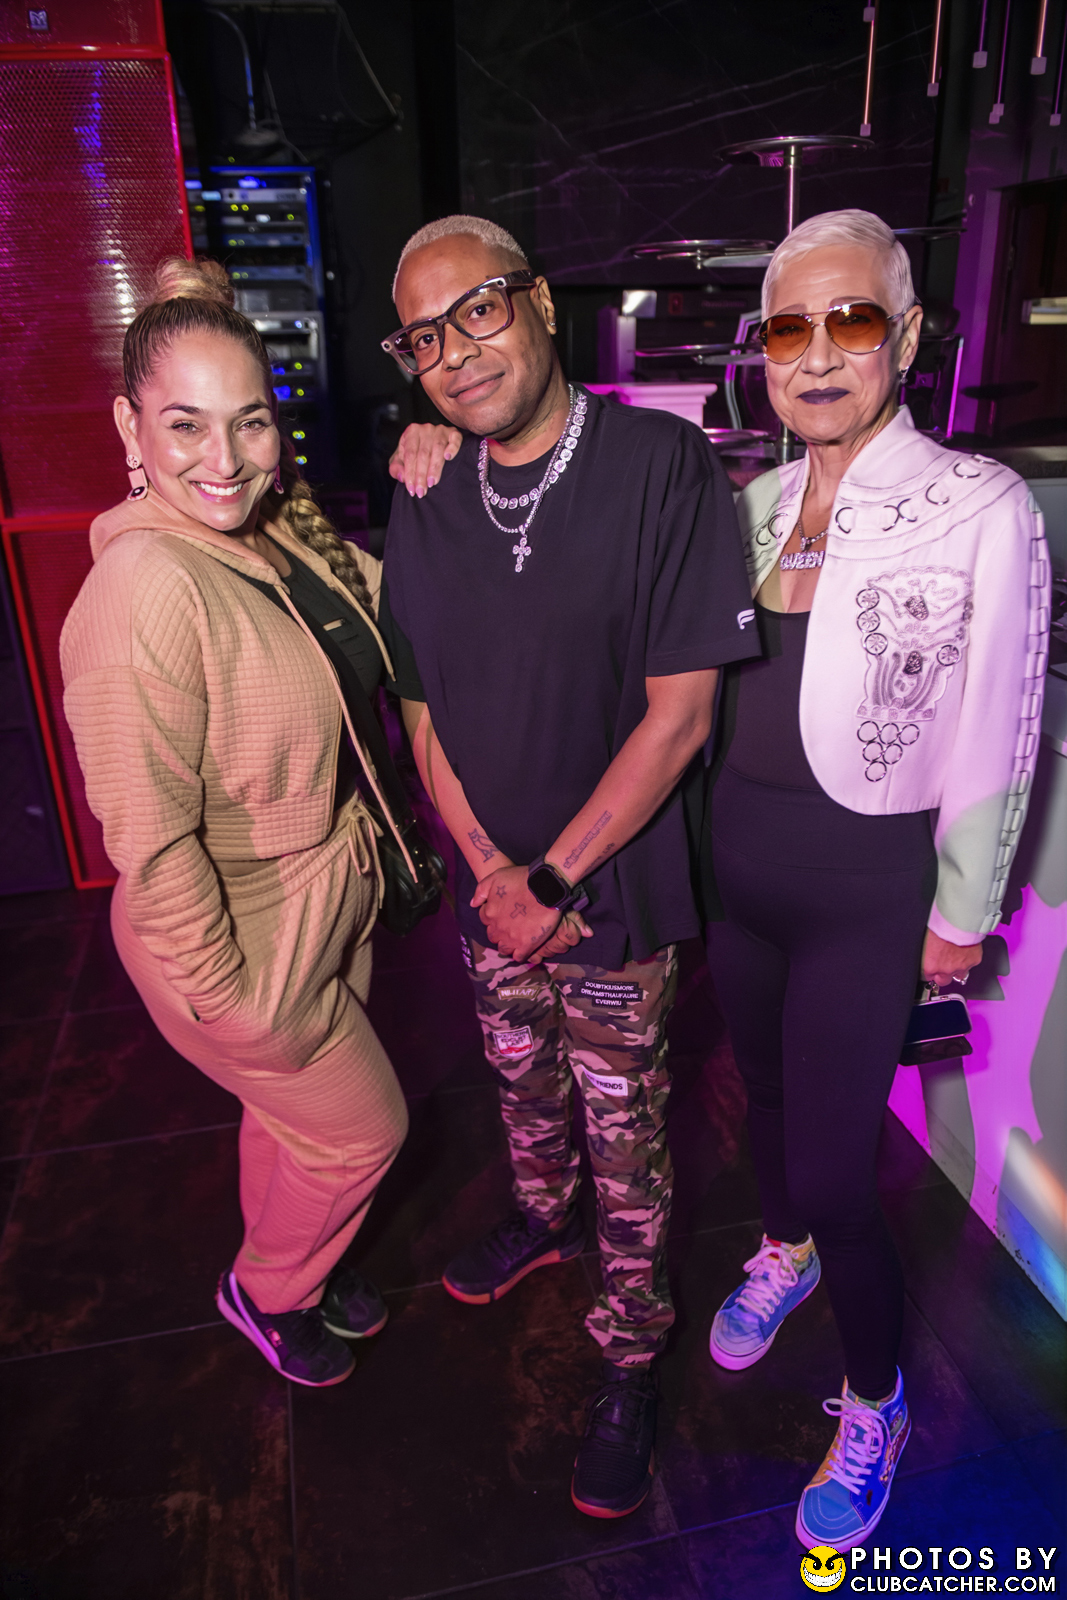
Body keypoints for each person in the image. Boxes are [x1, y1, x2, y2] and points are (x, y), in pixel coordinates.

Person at [378, 215, 758, 1518]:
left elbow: (680, 716)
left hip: (608, 899)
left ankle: (630, 1349)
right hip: (488, 895)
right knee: (520, 1088)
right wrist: (490, 870)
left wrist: (545, 884)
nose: (454, 352)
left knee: (623, 1130)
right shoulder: (424, 490)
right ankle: (540, 1220)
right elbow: (418, 704)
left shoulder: (659, 465)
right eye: (423, 337)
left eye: (476, 311)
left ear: (538, 301)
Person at [700, 209, 1048, 1550]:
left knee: (841, 1173)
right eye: (785, 328)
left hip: (863, 889)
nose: (814, 354)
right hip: (739, 873)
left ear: (901, 337)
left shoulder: (977, 504)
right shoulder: (749, 506)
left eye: (847, 320)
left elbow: (1001, 716)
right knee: (765, 1099)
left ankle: (874, 1402)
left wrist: (960, 911)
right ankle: (779, 1251)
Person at [60, 259, 412, 1389]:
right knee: (363, 1131)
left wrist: (448, 473)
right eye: (185, 425)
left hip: (327, 892)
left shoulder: (266, 532)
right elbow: (149, 840)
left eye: (248, 421)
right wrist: (227, 994)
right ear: (131, 427)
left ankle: (306, 1258)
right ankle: (266, 1289)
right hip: (238, 933)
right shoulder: (144, 590)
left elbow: (386, 604)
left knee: (295, 1124)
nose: (224, 458)